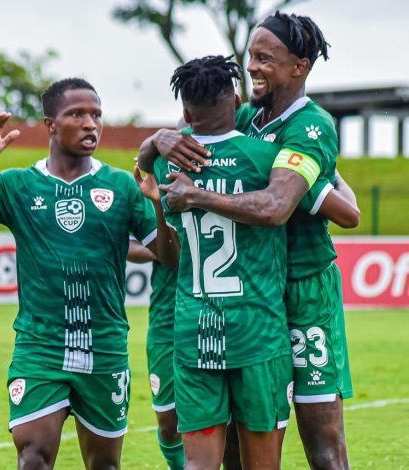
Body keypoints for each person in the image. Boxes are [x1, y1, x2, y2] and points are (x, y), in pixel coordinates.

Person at [138, 12, 359, 469]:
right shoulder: (246, 118)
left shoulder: (310, 127)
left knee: (321, 437)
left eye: (265, 58)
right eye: (251, 57)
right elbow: (192, 131)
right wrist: (158, 139)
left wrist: (197, 193)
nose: (253, 66)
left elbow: (279, 207)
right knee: (241, 440)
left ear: (299, 66)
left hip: (303, 289)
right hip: (254, 299)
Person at [0, 78, 176, 469]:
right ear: (50, 124)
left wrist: (158, 205)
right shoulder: (17, 185)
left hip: (105, 348)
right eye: (77, 114)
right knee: (33, 458)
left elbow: (170, 257)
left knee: (105, 466)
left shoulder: (121, 186)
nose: (90, 124)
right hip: (40, 348)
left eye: (96, 115)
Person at [141, 55, 297, 469]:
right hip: (257, 332)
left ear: (187, 112)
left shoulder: (167, 163)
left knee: (199, 464)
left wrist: (158, 140)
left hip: (195, 332)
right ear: (237, 99)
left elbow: (146, 162)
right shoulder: (267, 158)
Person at [127, 239, 183, 470]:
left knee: (227, 424)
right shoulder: (155, 203)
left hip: (220, 320)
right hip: (167, 324)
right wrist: (166, 250)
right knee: (169, 425)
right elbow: (127, 245)